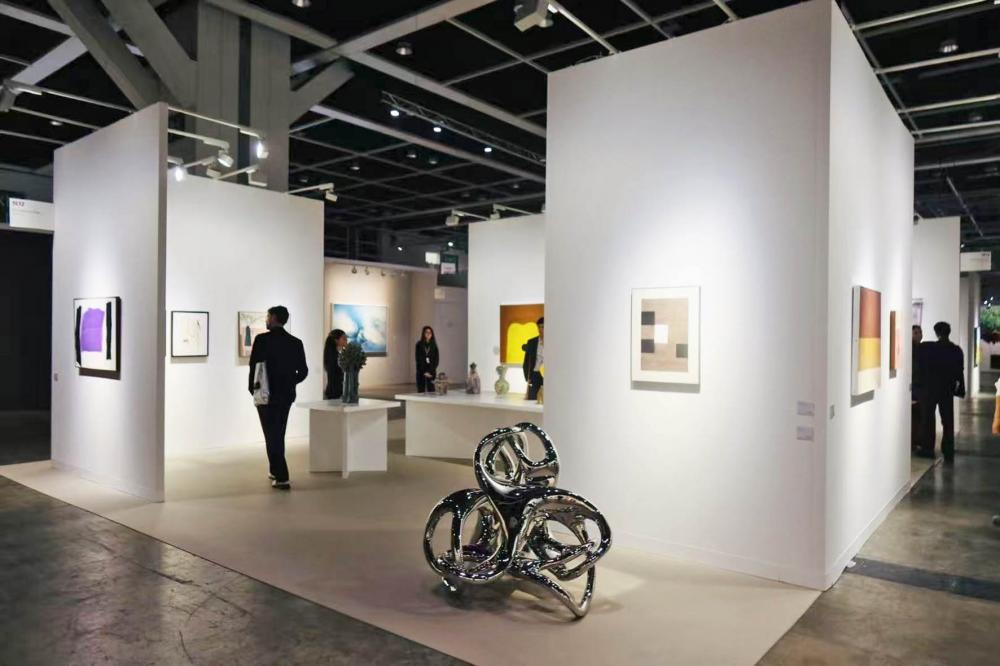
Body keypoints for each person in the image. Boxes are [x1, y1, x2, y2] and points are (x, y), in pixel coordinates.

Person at [248, 306, 308, 489]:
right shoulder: (295, 342)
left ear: (273, 318)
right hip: (286, 395)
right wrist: (290, 382)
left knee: (271, 434)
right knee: (277, 433)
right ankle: (274, 470)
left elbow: (254, 367)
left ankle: (282, 476)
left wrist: (252, 389)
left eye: (267, 316)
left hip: (266, 394)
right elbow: (303, 371)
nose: (266, 320)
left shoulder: (262, 340)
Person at [916, 321, 965, 463]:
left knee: (928, 419)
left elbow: (919, 364)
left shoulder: (928, 348)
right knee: (948, 421)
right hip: (947, 389)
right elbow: (959, 371)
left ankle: (928, 449)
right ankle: (948, 449)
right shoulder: (956, 350)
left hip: (930, 389)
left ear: (936, 333)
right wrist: (959, 388)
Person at [522, 317, 544, 401]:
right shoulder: (531, 342)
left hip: (548, 376)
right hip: (535, 375)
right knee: (532, 400)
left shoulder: (554, 342)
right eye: (539, 327)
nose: (541, 329)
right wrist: (528, 378)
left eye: (543, 327)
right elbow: (526, 362)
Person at [323, 328, 347, 399]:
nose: (346, 340)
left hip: (338, 390)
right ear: (336, 340)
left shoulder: (340, 353)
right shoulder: (332, 355)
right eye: (344, 338)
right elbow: (336, 372)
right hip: (334, 392)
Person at [415, 326, 439, 393]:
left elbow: (436, 360)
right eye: (426, 332)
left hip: (431, 372)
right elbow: (418, 359)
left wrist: (430, 371)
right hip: (421, 371)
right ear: (423, 333)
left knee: (431, 390)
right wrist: (424, 372)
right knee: (421, 391)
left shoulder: (434, 345)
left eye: (430, 332)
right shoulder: (419, 344)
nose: (428, 334)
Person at [911, 325, 923, 453]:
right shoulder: (911, 350)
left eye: (920, 332)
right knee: (915, 417)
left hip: (920, 388)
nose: (918, 334)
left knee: (919, 417)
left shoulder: (922, 349)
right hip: (914, 387)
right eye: (915, 332)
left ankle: (917, 441)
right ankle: (913, 442)